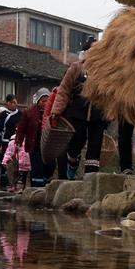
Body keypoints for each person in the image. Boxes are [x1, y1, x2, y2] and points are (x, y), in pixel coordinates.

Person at [51, 38, 107, 178]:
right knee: (77, 140)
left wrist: (110, 114)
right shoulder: (76, 68)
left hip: (98, 113)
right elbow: (64, 90)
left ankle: (91, 178)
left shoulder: (106, 71)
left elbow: (111, 95)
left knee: (95, 145)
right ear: (86, 51)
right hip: (77, 113)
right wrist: (56, 111)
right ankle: (72, 159)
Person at [15, 88, 51, 187]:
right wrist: (19, 139)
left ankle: (44, 185)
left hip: (47, 145)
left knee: (49, 166)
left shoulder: (52, 112)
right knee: (36, 166)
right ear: (38, 101)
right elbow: (21, 128)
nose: (45, 103)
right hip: (34, 144)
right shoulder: (29, 112)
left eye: (48, 100)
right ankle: (36, 188)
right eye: (43, 101)